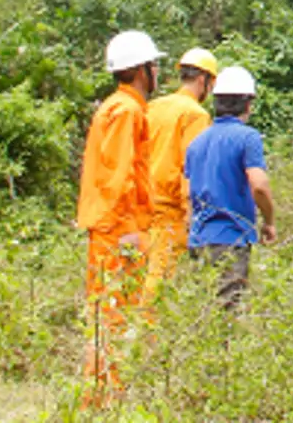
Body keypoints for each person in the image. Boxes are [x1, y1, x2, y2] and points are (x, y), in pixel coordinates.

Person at [75, 29, 161, 397]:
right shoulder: (125, 111)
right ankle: (106, 395)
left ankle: (103, 391)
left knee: (109, 311)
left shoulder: (115, 107)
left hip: (110, 226)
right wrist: (128, 229)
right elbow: (119, 174)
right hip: (118, 229)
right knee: (115, 312)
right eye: (155, 66)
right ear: (143, 70)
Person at [184, 66, 275, 307]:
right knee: (228, 312)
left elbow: (187, 195)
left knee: (203, 312)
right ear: (247, 104)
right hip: (230, 238)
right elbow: (259, 186)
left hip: (198, 239)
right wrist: (269, 221)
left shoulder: (196, 142)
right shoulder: (248, 137)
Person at [141, 47, 219, 300]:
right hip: (170, 209)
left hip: (141, 205)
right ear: (203, 80)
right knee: (160, 279)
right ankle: (146, 335)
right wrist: (192, 216)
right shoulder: (195, 115)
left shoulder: (153, 106)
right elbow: (192, 169)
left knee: (139, 275)